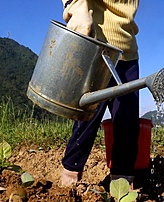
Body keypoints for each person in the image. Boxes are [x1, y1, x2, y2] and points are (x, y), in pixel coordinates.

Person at [61, 0, 140, 187]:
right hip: (96, 46)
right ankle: (70, 179)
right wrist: (76, 6)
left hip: (127, 53)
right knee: (87, 119)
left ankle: (121, 187)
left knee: (127, 123)